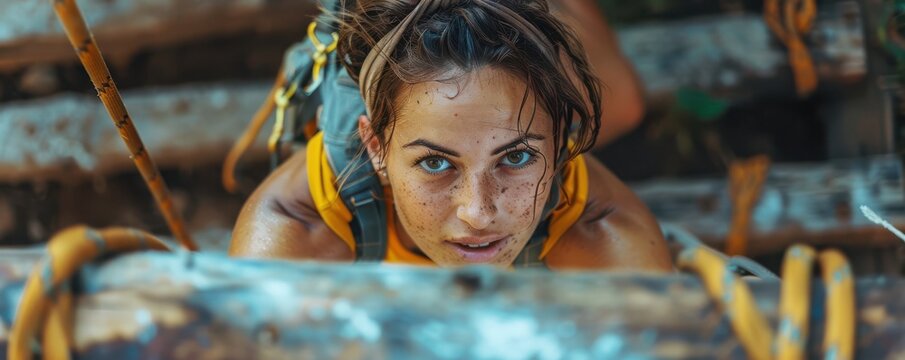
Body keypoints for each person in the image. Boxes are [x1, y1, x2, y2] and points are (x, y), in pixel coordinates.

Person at [229, 0, 671, 271]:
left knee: (620, 105)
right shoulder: (293, 235)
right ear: (374, 147)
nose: (478, 214)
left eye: (515, 158)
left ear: (560, 141)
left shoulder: (604, 237)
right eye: (436, 162)